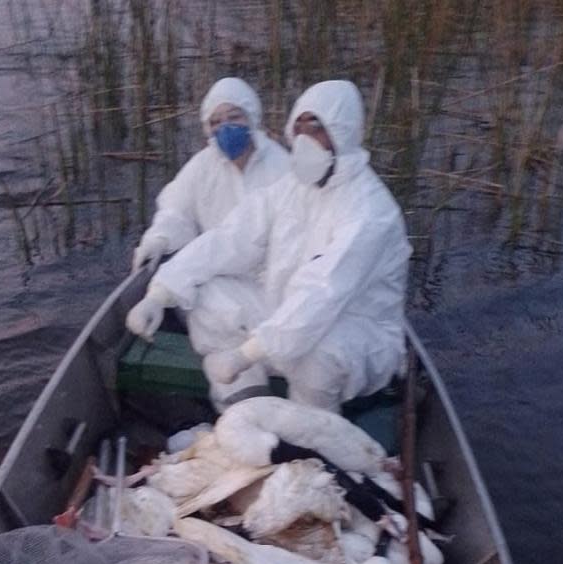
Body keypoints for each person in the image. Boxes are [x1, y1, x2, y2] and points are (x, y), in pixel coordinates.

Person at [126, 79, 413, 413]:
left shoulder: (369, 211)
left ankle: (311, 434)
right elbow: (231, 238)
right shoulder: (294, 187)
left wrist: (246, 353)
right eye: (299, 127)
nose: (305, 138)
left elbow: (322, 292)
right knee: (209, 294)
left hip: (357, 331)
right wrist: (160, 293)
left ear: (343, 131)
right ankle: (247, 401)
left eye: (317, 127)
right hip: (287, 312)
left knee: (317, 355)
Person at [130, 77, 289, 273]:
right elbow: (177, 210)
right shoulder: (202, 166)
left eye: (234, 117)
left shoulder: (282, 166)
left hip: (273, 278)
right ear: (208, 128)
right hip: (221, 276)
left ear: (251, 117)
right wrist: (160, 238)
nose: (226, 127)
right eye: (216, 122)